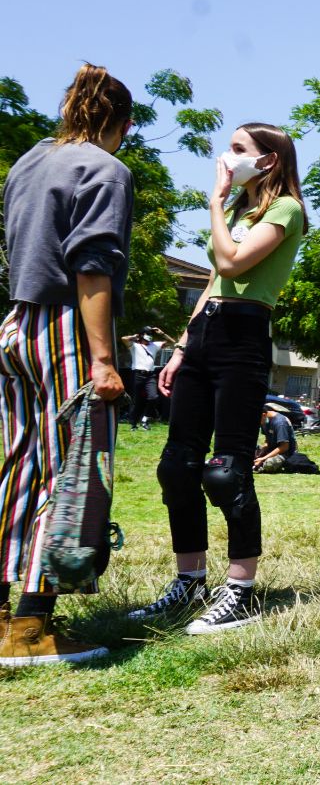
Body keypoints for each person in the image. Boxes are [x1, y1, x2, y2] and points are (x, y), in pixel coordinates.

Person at [129, 122, 308, 637]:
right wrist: (183, 346)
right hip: (207, 333)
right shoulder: (237, 212)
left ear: (269, 160)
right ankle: (189, 582)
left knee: (226, 470)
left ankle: (240, 592)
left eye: (238, 150)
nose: (226, 158)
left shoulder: (285, 211)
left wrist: (216, 200)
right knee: (177, 465)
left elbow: (233, 259)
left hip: (244, 338)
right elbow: (215, 278)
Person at [0, 63, 132, 666]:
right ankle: (33, 624)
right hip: (65, 331)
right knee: (67, 472)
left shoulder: (29, 160)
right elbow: (92, 265)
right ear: (121, 126)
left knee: (16, 470)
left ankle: (4, 613)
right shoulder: (105, 170)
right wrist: (102, 358)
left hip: (16, 324)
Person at [121, 326, 170, 429]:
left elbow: (172, 343)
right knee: (137, 400)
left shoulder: (154, 345)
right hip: (137, 374)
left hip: (150, 375)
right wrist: (134, 336)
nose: (150, 336)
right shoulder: (134, 346)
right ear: (142, 335)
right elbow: (124, 339)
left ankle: (145, 419)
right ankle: (133, 423)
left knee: (153, 397)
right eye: (148, 334)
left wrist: (162, 333)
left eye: (151, 334)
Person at [255, 401, 317, 475]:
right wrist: (261, 453)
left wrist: (263, 459)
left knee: (269, 464)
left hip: (285, 453)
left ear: (263, 415)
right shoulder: (264, 421)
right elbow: (267, 441)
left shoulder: (280, 423)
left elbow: (284, 447)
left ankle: (267, 465)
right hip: (271, 450)